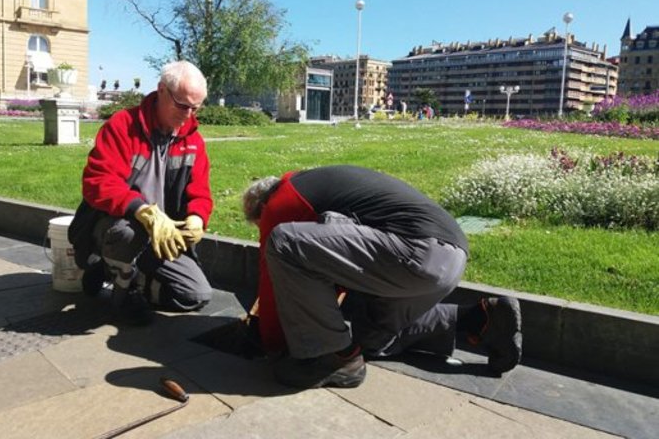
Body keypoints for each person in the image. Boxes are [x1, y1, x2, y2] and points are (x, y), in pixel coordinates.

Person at [242, 165, 521, 389]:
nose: (262, 229)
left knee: (282, 242)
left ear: (262, 208)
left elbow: (272, 276)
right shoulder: (314, 184)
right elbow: (336, 260)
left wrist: (273, 343)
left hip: (415, 253)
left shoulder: (280, 203)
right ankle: (480, 318)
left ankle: (332, 360)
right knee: (371, 340)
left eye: (259, 225)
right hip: (448, 257)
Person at [69, 60, 213, 325]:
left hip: (163, 234)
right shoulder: (123, 125)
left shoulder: (193, 140)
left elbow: (200, 193)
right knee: (127, 232)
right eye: (182, 105)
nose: (189, 114)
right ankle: (124, 290)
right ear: (161, 90)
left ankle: (118, 273)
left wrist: (197, 218)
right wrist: (142, 210)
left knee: (196, 294)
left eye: (196, 107)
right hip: (120, 223)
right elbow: (98, 181)